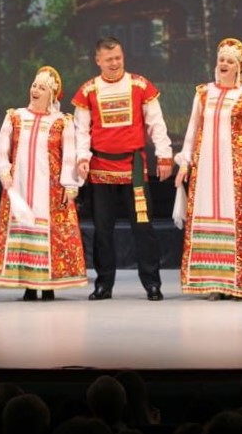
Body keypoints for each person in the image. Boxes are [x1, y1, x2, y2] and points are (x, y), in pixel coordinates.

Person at [173, 38, 242, 300]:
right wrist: (185, 161)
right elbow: (193, 129)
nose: (224, 64)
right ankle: (213, 282)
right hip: (205, 170)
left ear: (239, 67)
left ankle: (236, 282)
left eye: (230, 61)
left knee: (234, 218)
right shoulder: (203, 93)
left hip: (235, 170)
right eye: (221, 59)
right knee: (206, 215)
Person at [72, 36, 174, 301]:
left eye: (118, 57)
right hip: (100, 168)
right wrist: (82, 157)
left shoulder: (140, 85)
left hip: (134, 168)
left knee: (143, 228)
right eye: (109, 59)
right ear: (98, 60)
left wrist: (164, 156)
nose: (114, 63)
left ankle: (152, 283)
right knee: (102, 230)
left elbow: (156, 123)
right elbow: (81, 130)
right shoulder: (88, 91)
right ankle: (103, 284)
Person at [0, 66, 87, 300]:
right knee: (23, 229)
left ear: (51, 94)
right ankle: (28, 285)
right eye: (34, 85)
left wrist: (70, 185)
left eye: (42, 88)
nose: (35, 90)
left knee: (49, 231)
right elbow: (2, 149)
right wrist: (4, 171)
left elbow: (69, 155)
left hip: (49, 188)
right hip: (19, 186)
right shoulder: (15, 116)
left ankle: (49, 284)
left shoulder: (62, 121)